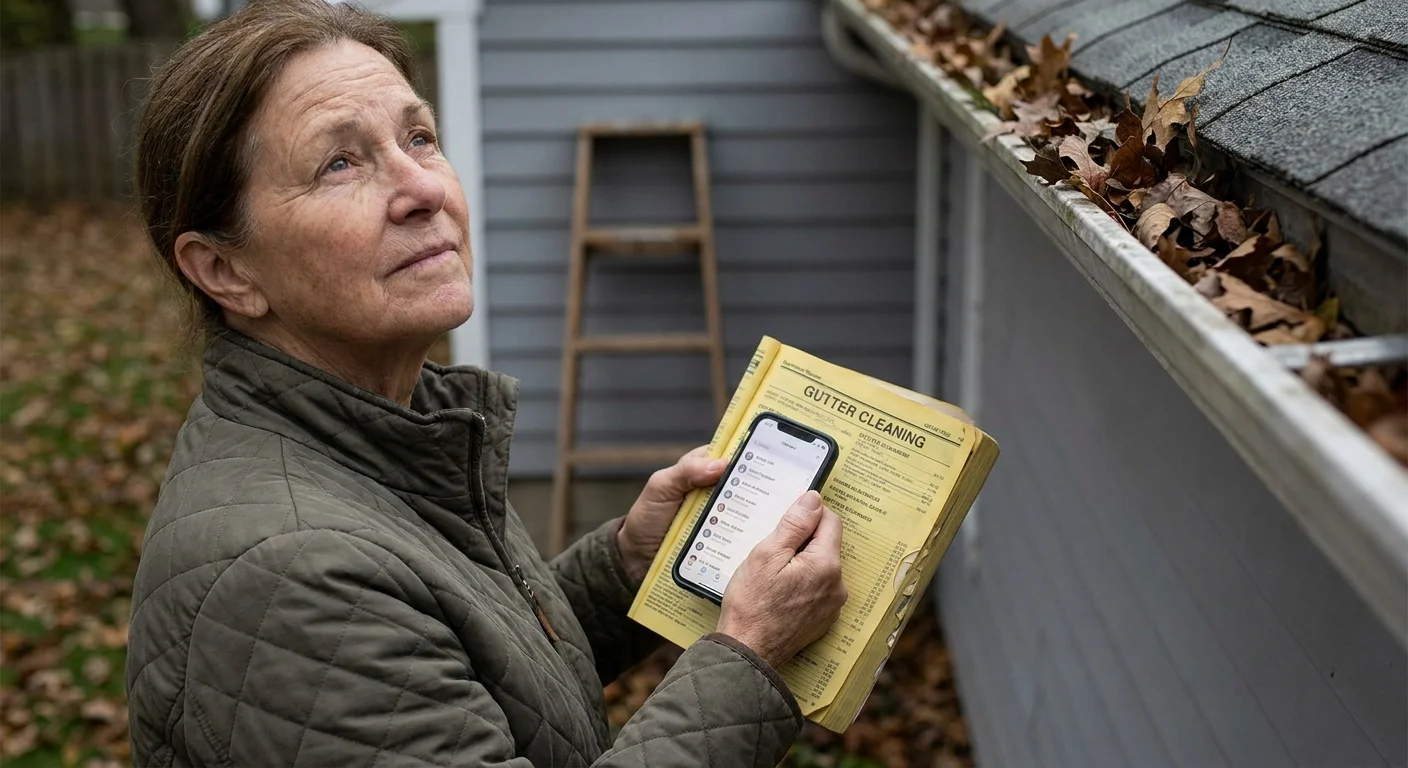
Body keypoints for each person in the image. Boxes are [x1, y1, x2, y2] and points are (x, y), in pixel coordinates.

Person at [122, 0, 849, 765]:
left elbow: (453, 671)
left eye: (419, 138)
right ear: (226, 271)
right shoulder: (289, 582)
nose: (422, 189)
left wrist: (626, 568)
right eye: (340, 163)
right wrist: (750, 655)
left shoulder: (381, 438)